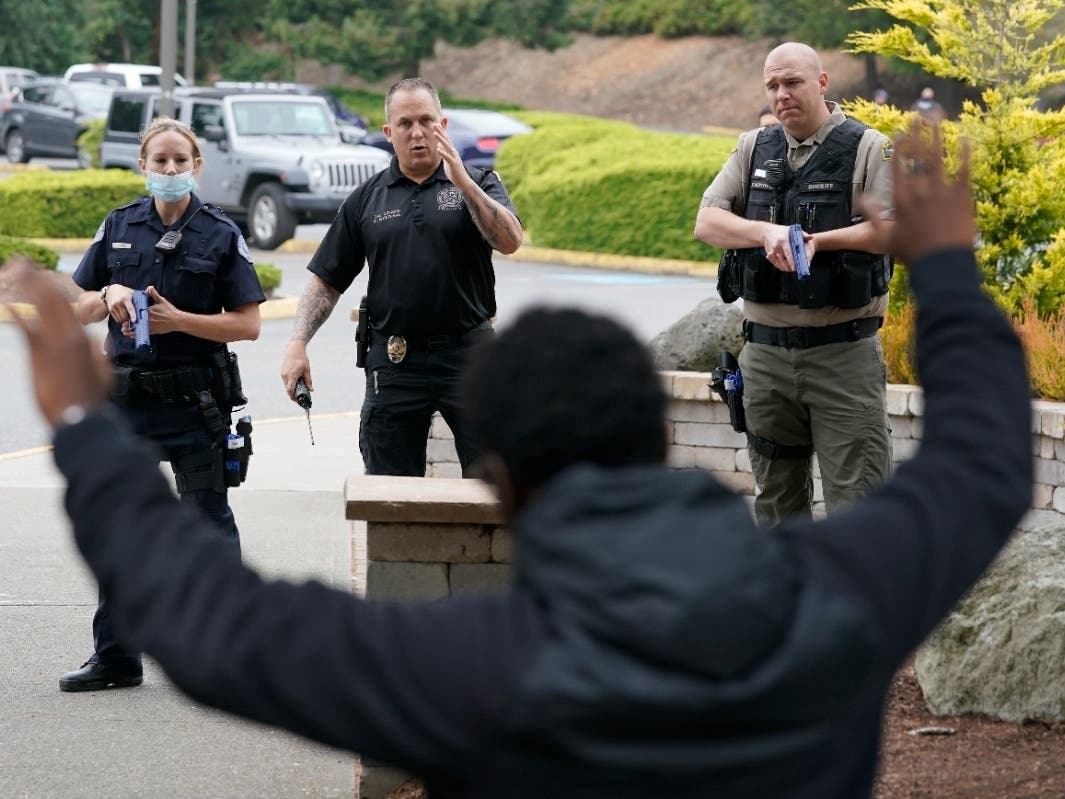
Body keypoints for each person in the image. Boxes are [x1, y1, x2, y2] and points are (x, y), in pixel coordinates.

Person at [7, 119, 1034, 797]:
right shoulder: (840, 595)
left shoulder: (465, 666)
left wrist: (81, 421)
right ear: (658, 431)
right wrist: (943, 267)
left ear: (501, 481)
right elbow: (985, 457)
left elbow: (210, 623)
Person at [59, 116, 265, 692]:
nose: (170, 170)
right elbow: (77, 306)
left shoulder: (220, 233)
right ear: (142, 166)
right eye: (160, 161)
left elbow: (247, 324)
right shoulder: (119, 226)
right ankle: (117, 658)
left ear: (196, 166)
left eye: (180, 161)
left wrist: (181, 322)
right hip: (125, 404)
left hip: (195, 403)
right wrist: (107, 293)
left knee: (207, 527)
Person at [694, 42, 895, 525]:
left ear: (822, 83)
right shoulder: (752, 148)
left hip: (842, 357)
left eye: (793, 83)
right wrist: (766, 232)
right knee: (777, 510)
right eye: (772, 86)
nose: (781, 94)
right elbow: (707, 221)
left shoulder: (869, 148)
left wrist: (817, 243)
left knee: (858, 507)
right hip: (764, 357)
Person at [280, 77, 523, 477]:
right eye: (405, 123)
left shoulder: (480, 182)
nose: (417, 132)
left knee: (495, 480)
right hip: (396, 360)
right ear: (389, 133)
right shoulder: (366, 198)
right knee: (388, 489)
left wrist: (461, 181)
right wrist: (297, 344)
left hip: (470, 355)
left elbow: (510, 240)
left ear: (442, 126)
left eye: (426, 121)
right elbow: (327, 279)